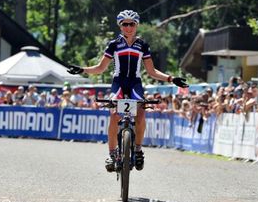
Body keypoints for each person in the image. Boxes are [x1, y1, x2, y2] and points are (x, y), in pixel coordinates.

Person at [67, 10, 188, 172]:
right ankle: (111, 153)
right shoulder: (114, 44)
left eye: (132, 24)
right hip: (118, 83)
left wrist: (172, 79)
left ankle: (138, 150)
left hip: (135, 83)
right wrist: (82, 69)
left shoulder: (142, 45)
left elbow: (152, 71)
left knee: (141, 113)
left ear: (136, 25)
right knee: (114, 114)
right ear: (120, 26)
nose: (129, 27)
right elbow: (100, 68)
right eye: (125, 24)